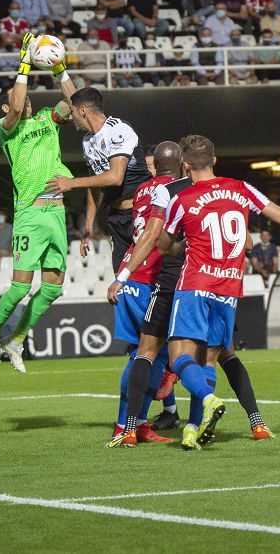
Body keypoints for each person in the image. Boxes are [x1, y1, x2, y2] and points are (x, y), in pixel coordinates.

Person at [108, 141, 275, 445]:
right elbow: (247, 243)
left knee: (145, 351)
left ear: (154, 165)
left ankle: (130, 427)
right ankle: (253, 422)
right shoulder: (214, 189)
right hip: (215, 282)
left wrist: (123, 275)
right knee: (219, 355)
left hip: (171, 278)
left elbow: (152, 236)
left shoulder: (152, 191)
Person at [158, 135, 280, 450]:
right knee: (209, 359)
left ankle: (207, 400)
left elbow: (164, 246)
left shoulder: (183, 199)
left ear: (186, 165)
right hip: (229, 288)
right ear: (215, 160)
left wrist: (180, 242)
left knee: (179, 358)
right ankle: (194, 427)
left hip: (195, 285)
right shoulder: (241, 189)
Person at [0, 32, 75, 375]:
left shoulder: (47, 119)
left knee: (52, 288)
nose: (26, 100)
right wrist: (25, 63)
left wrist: (61, 70)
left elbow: (75, 104)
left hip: (56, 211)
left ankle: (17, 338)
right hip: (30, 212)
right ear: (5, 106)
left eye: (29, 95)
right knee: (19, 287)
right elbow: (17, 106)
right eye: (20, 96)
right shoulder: (6, 130)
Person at [102, 142, 185, 446]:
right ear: (181, 164)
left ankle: (136, 424)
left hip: (129, 274)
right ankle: (127, 425)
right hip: (148, 276)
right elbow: (158, 235)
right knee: (153, 355)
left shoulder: (142, 191)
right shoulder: (177, 191)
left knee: (146, 353)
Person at [45, 88, 151, 296]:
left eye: (73, 111)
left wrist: (72, 183)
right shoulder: (87, 142)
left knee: (145, 281)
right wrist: (88, 226)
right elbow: (95, 186)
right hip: (116, 218)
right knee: (123, 287)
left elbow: (115, 177)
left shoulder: (118, 129)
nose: (71, 117)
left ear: (83, 110)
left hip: (140, 214)